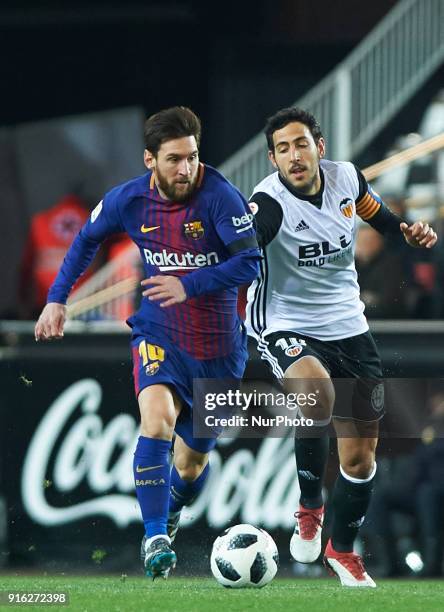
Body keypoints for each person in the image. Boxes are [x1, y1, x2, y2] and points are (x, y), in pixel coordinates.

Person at [35, 106, 261, 579]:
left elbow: (250, 264)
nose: (187, 169)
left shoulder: (221, 197)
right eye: (175, 159)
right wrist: (57, 300)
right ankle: (155, 535)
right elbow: (85, 240)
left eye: (193, 157)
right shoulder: (128, 200)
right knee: (156, 422)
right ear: (149, 160)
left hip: (220, 349)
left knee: (193, 463)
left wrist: (188, 283)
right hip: (160, 333)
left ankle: (172, 508)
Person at [245, 107, 438, 587]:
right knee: (315, 394)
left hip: (348, 325)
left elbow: (377, 214)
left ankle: (341, 548)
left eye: (301, 144)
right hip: (282, 321)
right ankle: (310, 506)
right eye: (283, 148)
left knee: (360, 456)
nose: (294, 155)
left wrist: (406, 233)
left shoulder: (346, 180)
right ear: (273, 159)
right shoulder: (267, 203)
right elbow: (249, 241)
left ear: (320, 148)